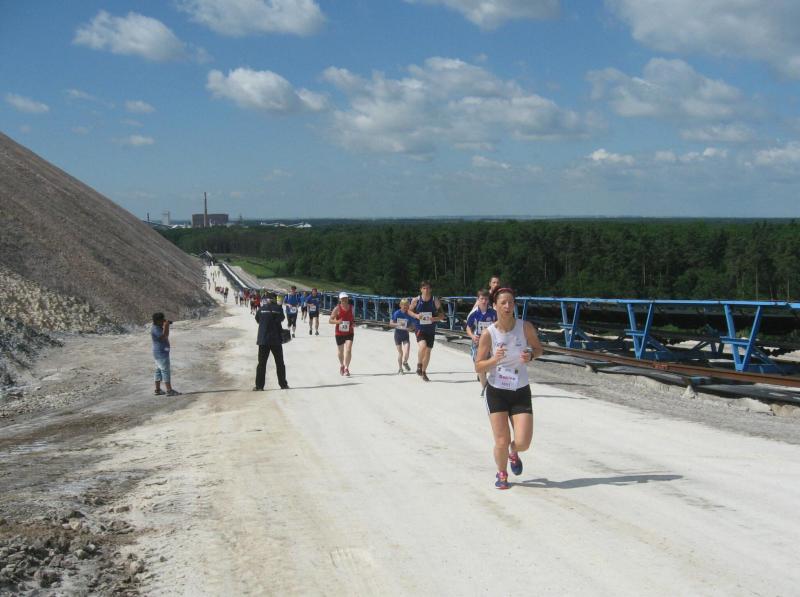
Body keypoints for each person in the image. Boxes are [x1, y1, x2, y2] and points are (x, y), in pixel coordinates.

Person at [475, 287, 544, 490]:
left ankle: (514, 452)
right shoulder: (489, 333)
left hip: (520, 390)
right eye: (503, 303)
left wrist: (531, 355)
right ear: (494, 306)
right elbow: (478, 366)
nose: (507, 306)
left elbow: (539, 349)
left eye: (511, 302)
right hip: (496, 391)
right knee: (501, 440)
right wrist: (494, 360)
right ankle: (502, 473)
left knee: (523, 442)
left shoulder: (525, 327)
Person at [408, 280, 445, 382]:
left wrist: (435, 318)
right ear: (421, 289)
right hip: (419, 327)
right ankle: (419, 364)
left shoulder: (435, 300)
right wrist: (416, 315)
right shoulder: (416, 300)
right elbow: (409, 311)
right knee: (423, 346)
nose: (426, 290)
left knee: (428, 351)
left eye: (428, 288)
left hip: (430, 329)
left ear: (431, 289)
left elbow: (442, 315)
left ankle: (424, 372)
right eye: (424, 288)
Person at [254, 292, 289, 390]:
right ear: (275, 300)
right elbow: (282, 318)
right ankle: (283, 385)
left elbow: (257, 319)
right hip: (275, 340)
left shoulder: (261, 309)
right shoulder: (278, 309)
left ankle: (259, 386)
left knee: (261, 364)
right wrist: (279, 307)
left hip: (263, 340)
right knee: (280, 363)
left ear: (267, 300)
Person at [466, 289, 497, 393]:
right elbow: (468, 327)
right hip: (478, 342)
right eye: (482, 299)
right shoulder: (474, 313)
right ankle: (485, 389)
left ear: (488, 300)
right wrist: (472, 336)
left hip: (491, 342)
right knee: (479, 366)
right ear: (478, 299)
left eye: (486, 299)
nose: (484, 301)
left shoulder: (493, 313)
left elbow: (499, 325)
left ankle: (490, 383)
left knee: (491, 365)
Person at [151, 312, 181, 396]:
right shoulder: (156, 329)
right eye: (162, 320)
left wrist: (165, 325)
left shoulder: (157, 326)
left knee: (158, 371)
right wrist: (166, 326)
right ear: (158, 321)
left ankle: (158, 390)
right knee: (165, 371)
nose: (163, 321)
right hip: (161, 354)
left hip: (159, 353)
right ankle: (169, 390)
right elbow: (165, 336)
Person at [329, 291, 354, 376]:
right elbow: (330, 320)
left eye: (346, 298)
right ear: (340, 299)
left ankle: (346, 368)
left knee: (348, 349)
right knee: (340, 351)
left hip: (349, 332)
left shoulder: (352, 307)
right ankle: (342, 365)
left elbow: (353, 319)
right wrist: (337, 322)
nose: (344, 300)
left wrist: (353, 323)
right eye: (343, 298)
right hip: (339, 333)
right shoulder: (337, 308)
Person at [390, 298, 416, 373]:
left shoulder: (410, 314)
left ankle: (405, 362)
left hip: (405, 335)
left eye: (407, 305)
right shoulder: (397, 313)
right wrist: (399, 324)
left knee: (407, 351)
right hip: (397, 335)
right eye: (403, 305)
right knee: (400, 353)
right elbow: (391, 323)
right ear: (400, 305)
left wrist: (410, 329)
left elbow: (413, 326)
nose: (405, 306)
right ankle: (400, 368)